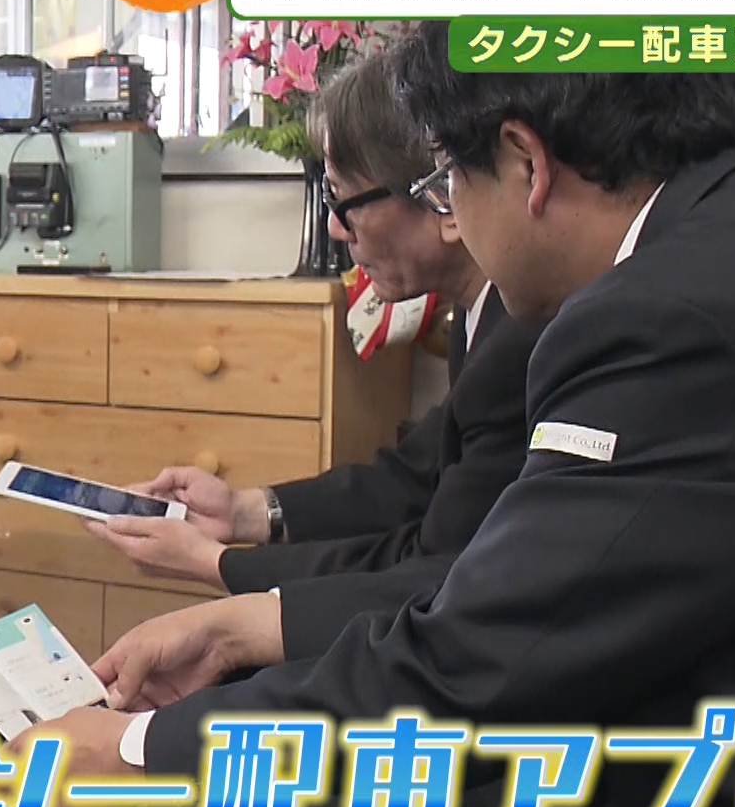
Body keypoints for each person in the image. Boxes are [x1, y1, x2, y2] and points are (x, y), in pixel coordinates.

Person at [18, 20, 735, 807]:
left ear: (525, 161)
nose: (449, 210)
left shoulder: (667, 318)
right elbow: (513, 580)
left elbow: (478, 654)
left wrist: (133, 751)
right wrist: (239, 622)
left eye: (447, 178)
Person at [88, 48, 546, 665]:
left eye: (343, 202)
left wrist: (219, 565)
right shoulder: (480, 313)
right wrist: (245, 511)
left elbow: (428, 565)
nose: (334, 228)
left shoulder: (519, 341)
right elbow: (414, 476)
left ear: (442, 195)